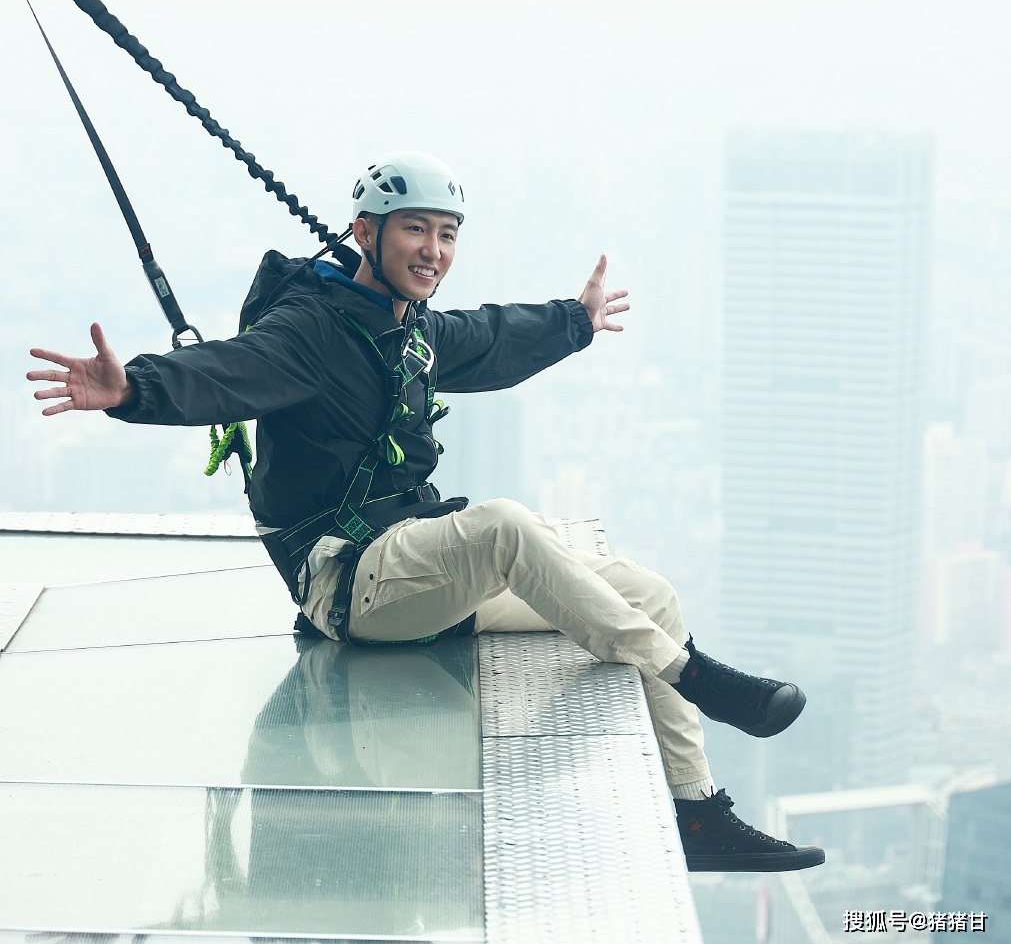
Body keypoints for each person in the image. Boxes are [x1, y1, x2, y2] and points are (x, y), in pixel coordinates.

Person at [28, 150, 825, 873]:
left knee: (644, 591)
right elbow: (229, 369)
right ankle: (697, 676)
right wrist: (132, 389)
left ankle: (696, 813)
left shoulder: (406, 331)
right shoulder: (310, 329)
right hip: (348, 583)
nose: (434, 251)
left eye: (447, 234)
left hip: (411, 574)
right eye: (416, 229)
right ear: (364, 232)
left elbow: (488, 337)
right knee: (506, 524)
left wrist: (574, 320)